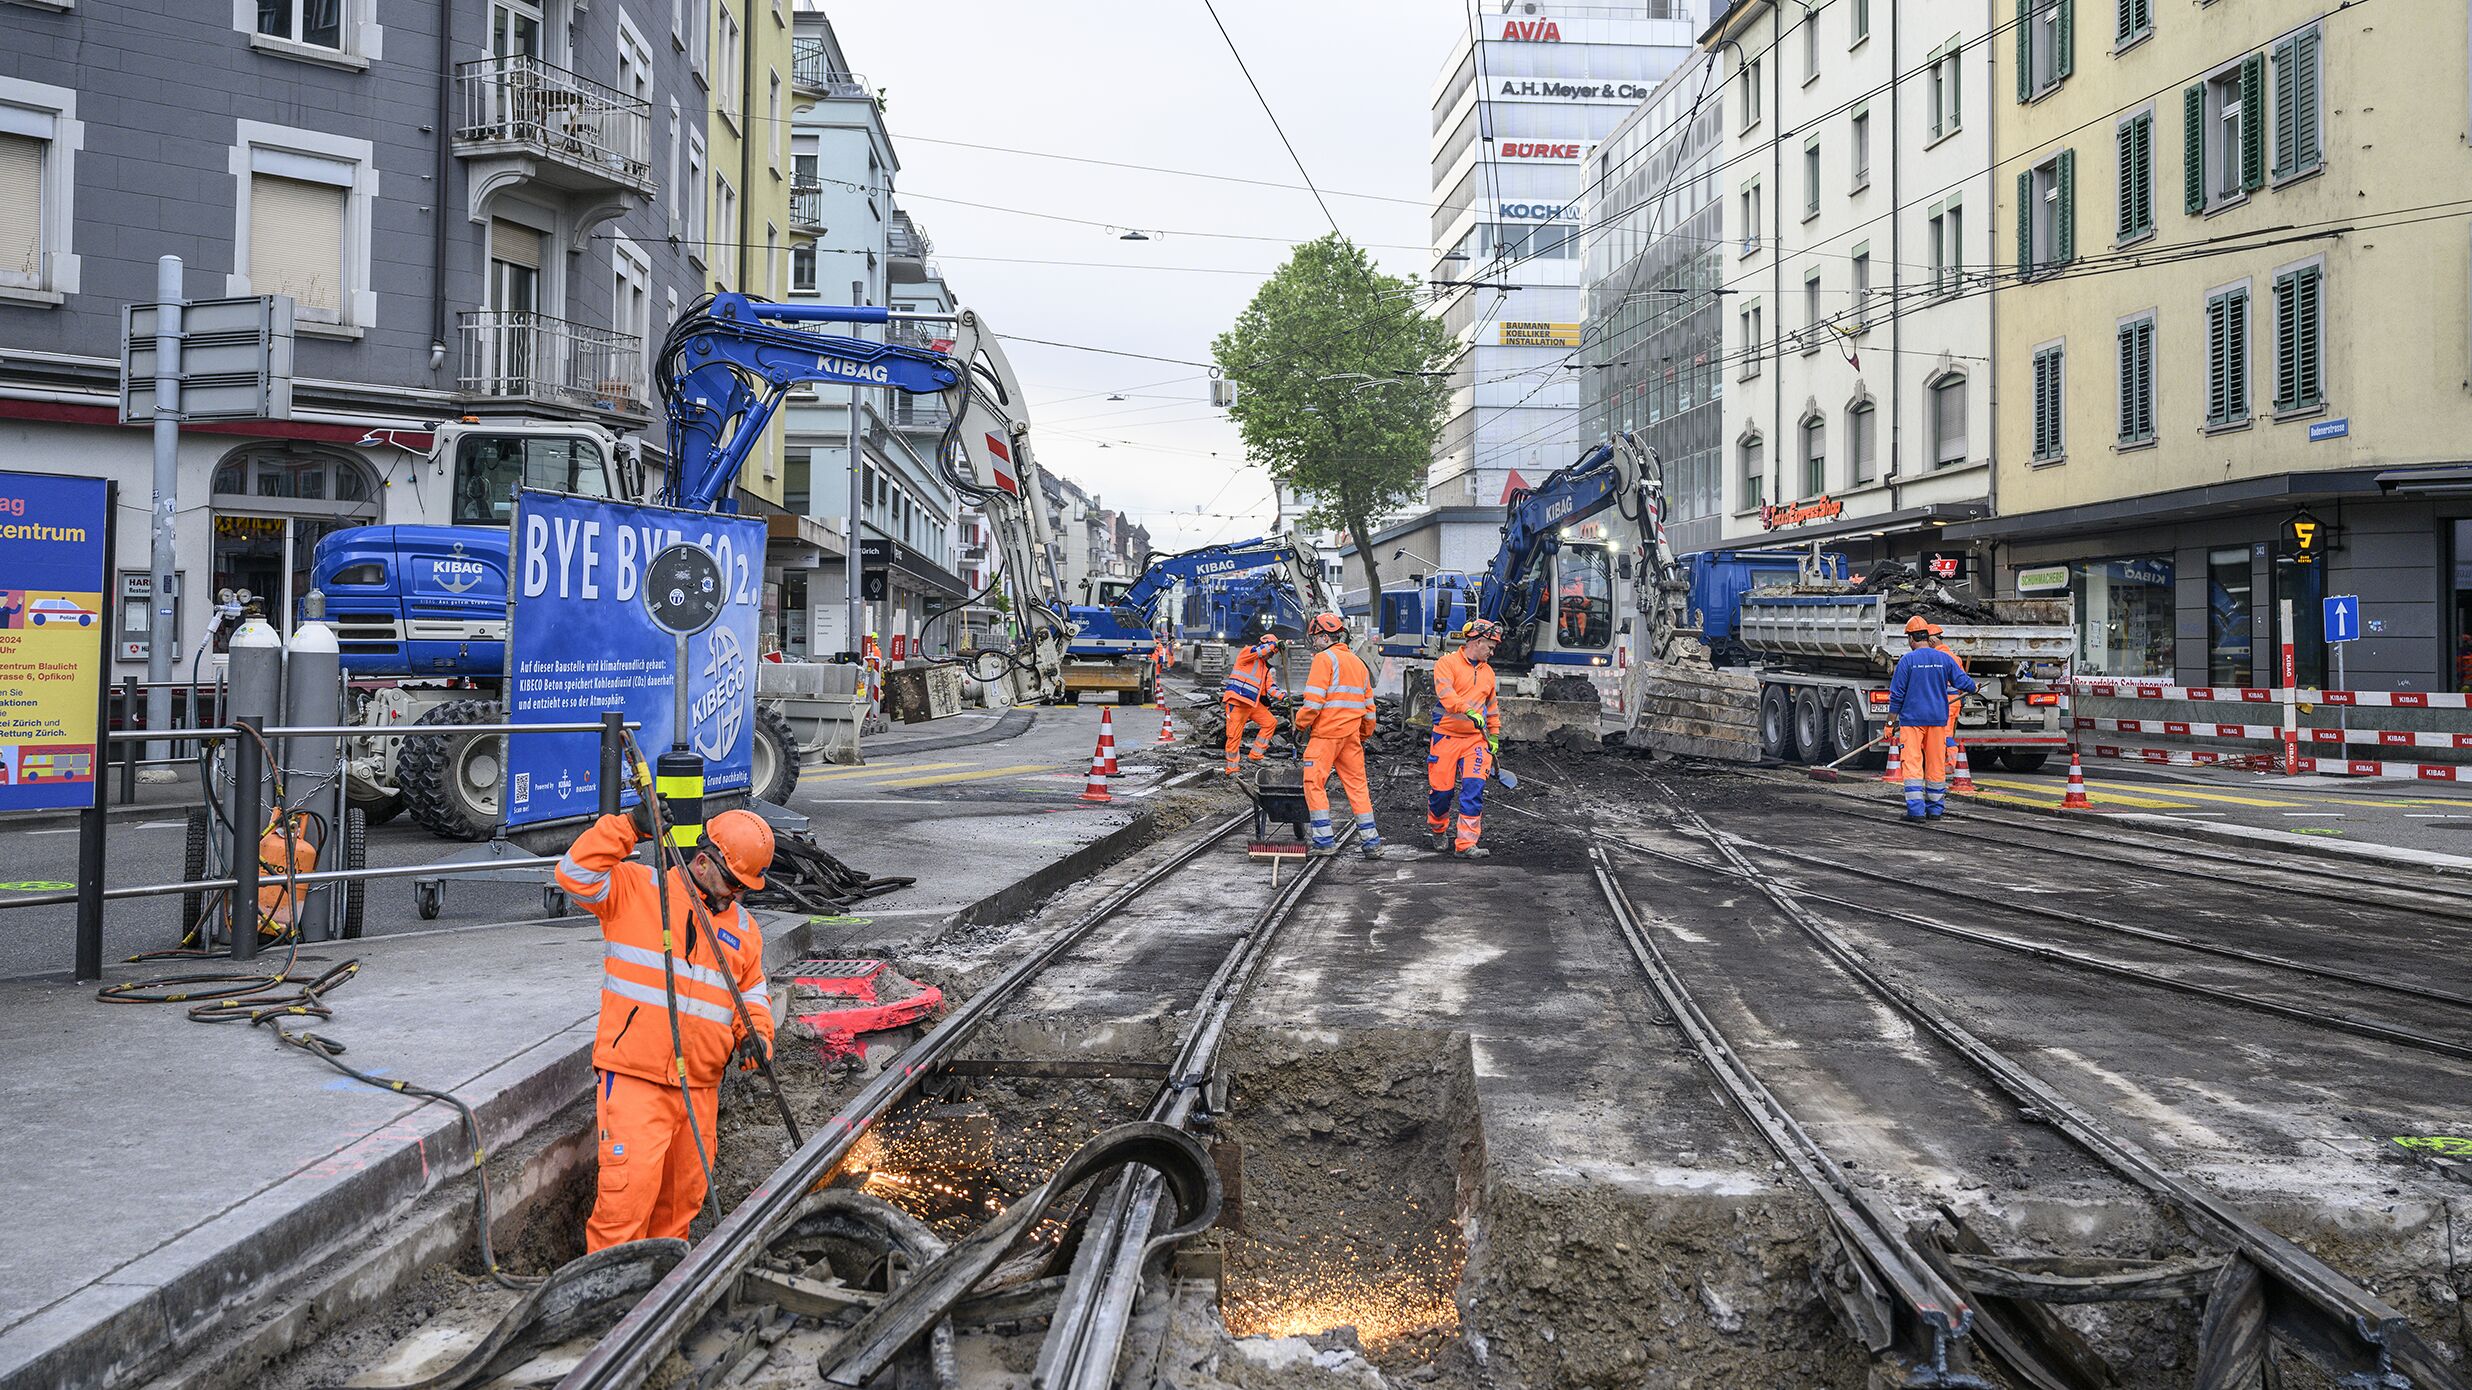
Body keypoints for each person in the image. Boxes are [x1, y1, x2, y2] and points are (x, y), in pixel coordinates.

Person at [554, 805, 779, 1251]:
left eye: (744, 887)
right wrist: (629, 829)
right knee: (625, 1206)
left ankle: (661, 1296)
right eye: (733, 882)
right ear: (703, 860)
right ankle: (612, 1306)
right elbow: (572, 873)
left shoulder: (743, 929)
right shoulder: (638, 889)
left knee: (679, 1207)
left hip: (699, 1089)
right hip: (638, 1079)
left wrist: (756, 1033)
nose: (736, 894)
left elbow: (751, 991)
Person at [1295, 612, 1384, 859]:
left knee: (1314, 783)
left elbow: (1313, 703)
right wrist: (1363, 735)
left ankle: (1324, 841)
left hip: (1325, 736)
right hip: (1351, 737)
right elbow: (1369, 709)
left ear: (1325, 637)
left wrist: (1299, 725)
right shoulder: (1358, 664)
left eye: (1315, 638)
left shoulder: (1324, 660)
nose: (1313, 643)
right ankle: (1371, 841)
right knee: (1357, 787)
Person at [1886, 615, 1977, 823]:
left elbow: (1897, 695)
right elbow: (1964, 681)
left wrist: (1890, 723)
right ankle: (1935, 809)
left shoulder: (1907, 661)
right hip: (1938, 720)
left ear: (1911, 639)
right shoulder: (1943, 659)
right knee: (1936, 765)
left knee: (1913, 765)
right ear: (1928, 637)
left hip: (1912, 722)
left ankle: (1916, 811)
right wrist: (1973, 688)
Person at [1428, 618, 1503, 858]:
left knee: (1473, 790)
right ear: (1477, 642)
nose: (1492, 652)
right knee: (1442, 793)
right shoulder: (1446, 664)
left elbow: (1492, 708)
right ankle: (1438, 829)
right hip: (1446, 738)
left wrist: (1494, 736)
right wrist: (1466, 709)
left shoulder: (1489, 673)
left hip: (1475, 741)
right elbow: (1446, 694)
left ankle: (1466, 844)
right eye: (1490, 647)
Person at [1221, 632, 1281, 775]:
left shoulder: (1264, 668)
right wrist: (1275, 645)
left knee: (1270, 722)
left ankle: (1255, 756)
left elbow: (1270, 687)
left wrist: (1284, 697)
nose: (1270, 656)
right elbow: (1261, 651)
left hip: (1251, 704)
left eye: (1272, 654)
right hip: (1237, 701)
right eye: (1271, 653)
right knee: (1234, 735)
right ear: (1265, 645)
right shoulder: (1247, 652)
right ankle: (1232, 769)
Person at [1928, 622, 1968, 770]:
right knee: (1945, 734)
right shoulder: (1954, 657)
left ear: (1932, 641)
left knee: (1943, 735)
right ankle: (1944, 762)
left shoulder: (1935, 658)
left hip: (1943, 702)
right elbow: (1962, 681)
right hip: (1953, 701)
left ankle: (1951, 763)